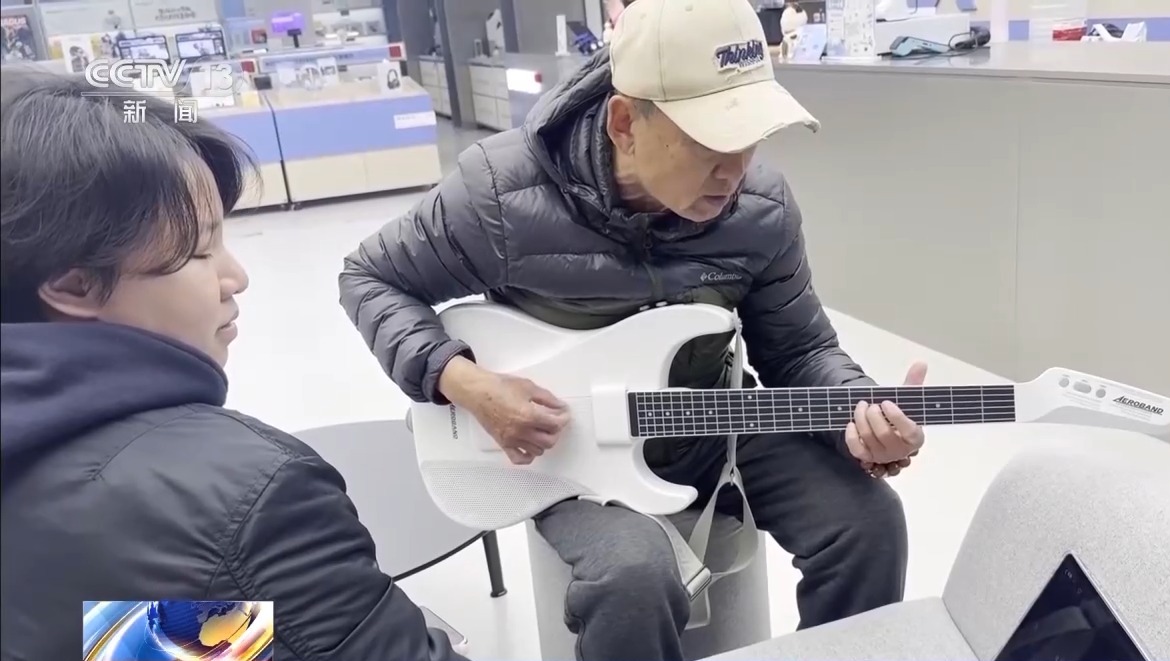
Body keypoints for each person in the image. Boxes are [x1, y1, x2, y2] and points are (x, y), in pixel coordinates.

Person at [338, 0, 927, 659]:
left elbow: (799, 349)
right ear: (624, 123)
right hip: (564, 449)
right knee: (633, 576)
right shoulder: (500, 194)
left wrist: (858, 412)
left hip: (711, 420)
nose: (735, 170)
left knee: (869, 523)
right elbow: (369, 277)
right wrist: (465, 382)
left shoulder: (762, 208)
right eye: (710, 143)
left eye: (752, 137)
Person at [0, 67, 465, 661]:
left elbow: (108, 639)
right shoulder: (246, 502)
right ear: (74, 285)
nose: (236, 276)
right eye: (199, 250)